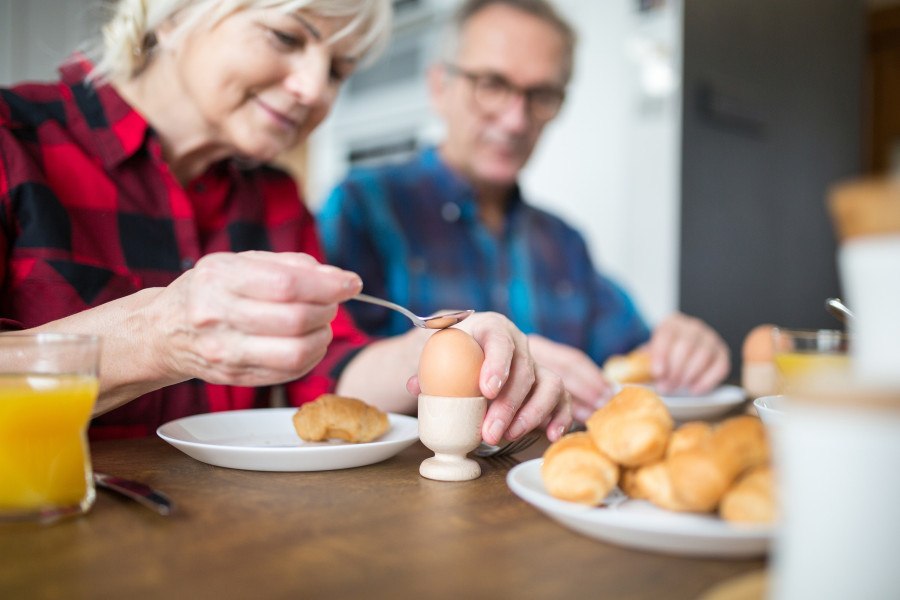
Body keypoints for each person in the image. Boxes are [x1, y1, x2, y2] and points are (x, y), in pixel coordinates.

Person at [0, 0, 571, 445]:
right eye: (286, 37)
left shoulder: (275, 198)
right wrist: (158, 334)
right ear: (172, 16)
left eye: (339, 70)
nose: (314, 90)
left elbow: (329, 369)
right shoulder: (12, 139)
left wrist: (453, 345)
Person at [318, 0, 730, 423]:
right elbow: (321, 377)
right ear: (439, 86)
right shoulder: (362, 207)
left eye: (540, 95)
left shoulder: (565, 243)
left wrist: (677, 352)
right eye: (492, 84)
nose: (516, 120)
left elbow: (629, 361)